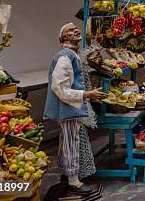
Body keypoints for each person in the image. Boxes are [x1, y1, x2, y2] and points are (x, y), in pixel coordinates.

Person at [43, 23, 107, 194]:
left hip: (69, 107)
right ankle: (73, 181)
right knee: (72, 143)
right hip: (67, 107)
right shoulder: (65, 57)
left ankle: (66, 175)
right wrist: (87, 94)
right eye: (70, 30)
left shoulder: (73, 54)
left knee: (67, 141)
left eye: (75, 28)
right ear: (63, 37)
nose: (76, 30)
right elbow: (60, 89)